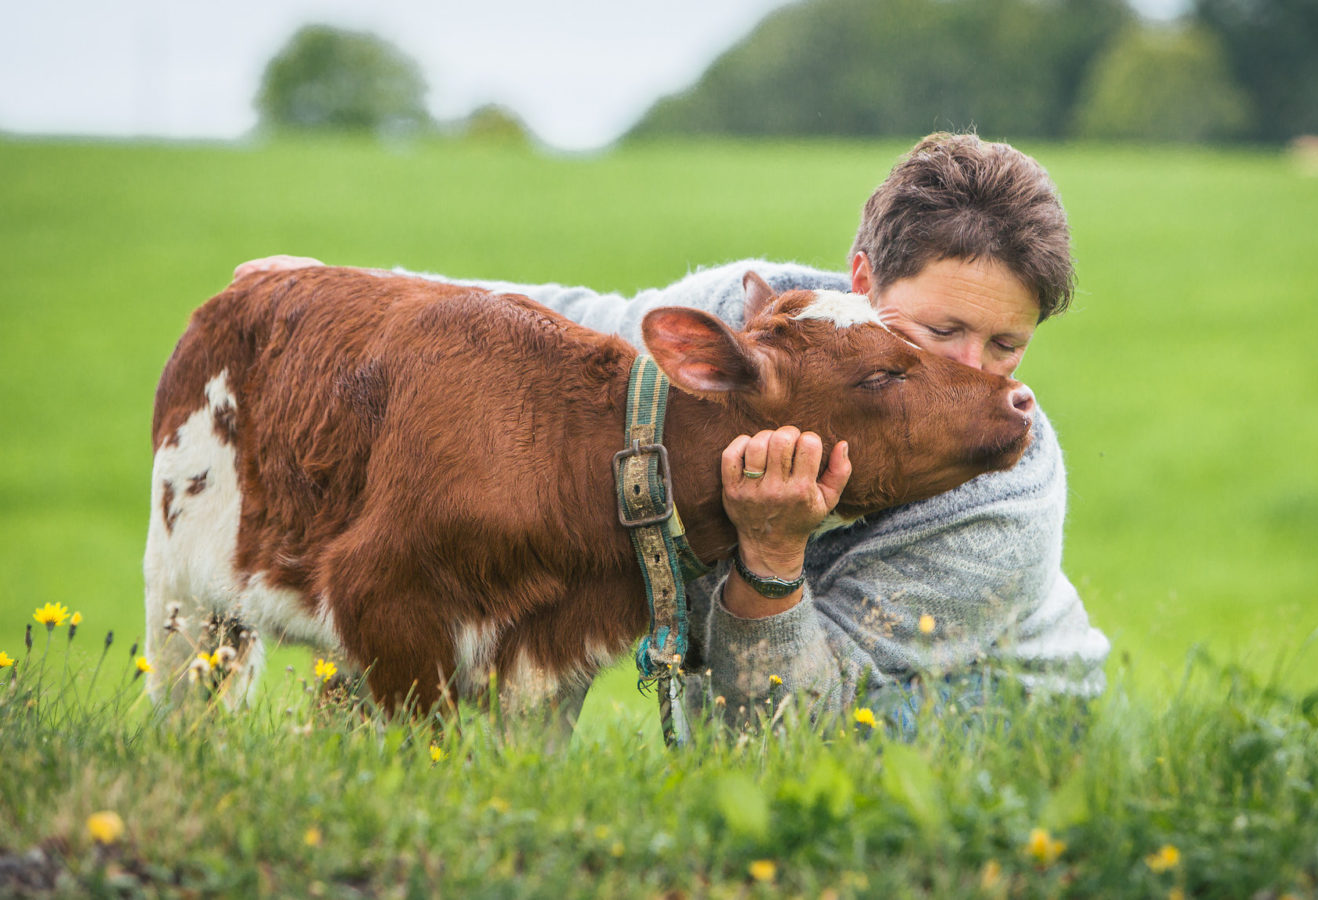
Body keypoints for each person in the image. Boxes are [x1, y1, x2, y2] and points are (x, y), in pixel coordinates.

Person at [235, 132, 1109, 734]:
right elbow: (574, 329)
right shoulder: (756, 322)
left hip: (976, 709)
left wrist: (771, 557)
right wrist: (352, 286)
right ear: (862, 279)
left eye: (1006, 346)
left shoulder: (998, 499)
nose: (974, 369)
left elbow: (785, 735)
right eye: (940, 331)